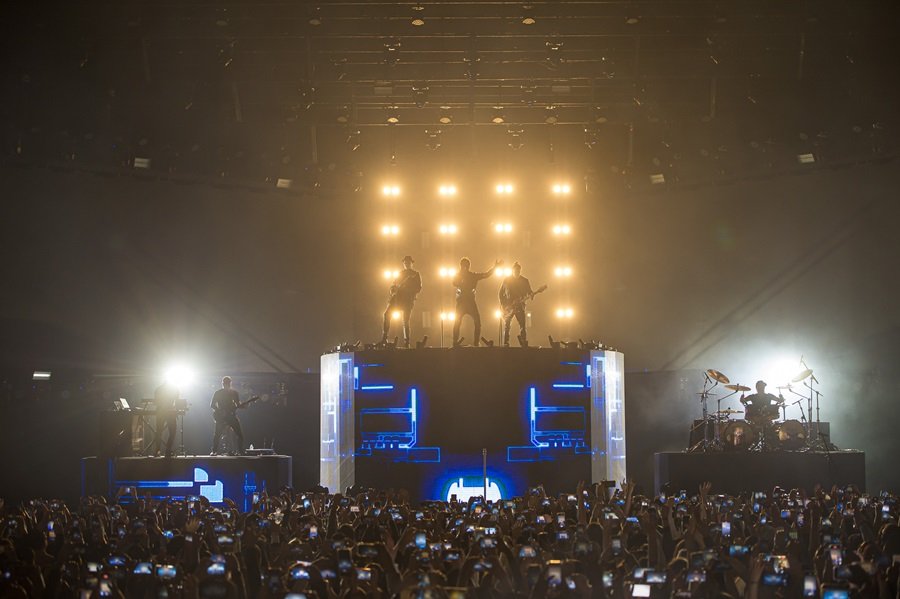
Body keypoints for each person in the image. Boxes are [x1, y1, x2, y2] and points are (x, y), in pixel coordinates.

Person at [452, 257, 502, 347]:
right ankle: (456, 342)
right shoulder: (460, 275)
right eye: (463, 266)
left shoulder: (471, 276)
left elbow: (486, 275)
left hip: (469, 302)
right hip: (463, 302)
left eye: (466, 266)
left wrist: (495, 268)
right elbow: (454, 283)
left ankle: (475, 342)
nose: (465, 268)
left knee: (476, 322)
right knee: (459, 322)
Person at [381, 255, 422, 348]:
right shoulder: (400, 274)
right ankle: (384, 337)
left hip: (407, 300)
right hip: (397, 299)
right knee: (387, 314)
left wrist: (408, 290)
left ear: (411, 263)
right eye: (405, 262)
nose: (406, 264)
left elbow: (418, 288)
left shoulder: (415, 274)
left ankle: (407, 341)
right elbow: (393, 285)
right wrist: (393, 290)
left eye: (408, 262)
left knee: (405, 321)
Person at [498, 261, 538, 347]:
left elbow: (529, 291)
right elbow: (500, 293)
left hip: (520, 306)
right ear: (512, 271)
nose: (517, 272)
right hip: (508, 307)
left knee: (522, 325)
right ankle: (506, 343)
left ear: (520, 271)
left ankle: (523, 342)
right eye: (515, 271)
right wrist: (503, 305)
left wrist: (531, 294)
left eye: (518, 271)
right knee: (507, 326)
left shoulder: (525, 281)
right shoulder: (506, 280)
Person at [210, 376, 245, 455]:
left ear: (230, 384)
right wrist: (220, 411)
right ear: (223, 383)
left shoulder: (234, 393)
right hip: (222, 417)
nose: (226, 385)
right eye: (225, 383)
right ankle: (214, 451)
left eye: (227, 383)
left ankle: (241, 451)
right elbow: (212, 405)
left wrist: (244, 405)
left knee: (239, 435)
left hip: (231, 416)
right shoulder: (218, 393)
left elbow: (238, 404)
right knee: (217, 434)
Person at [152, 380, 179, 458]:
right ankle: (168, 450)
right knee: (172, 431)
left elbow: (155, 402)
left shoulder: (158, 389)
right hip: (170, 412)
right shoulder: (174, 388)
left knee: (159, 431)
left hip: (160, 412)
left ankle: (157, 450)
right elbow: (177, 401)